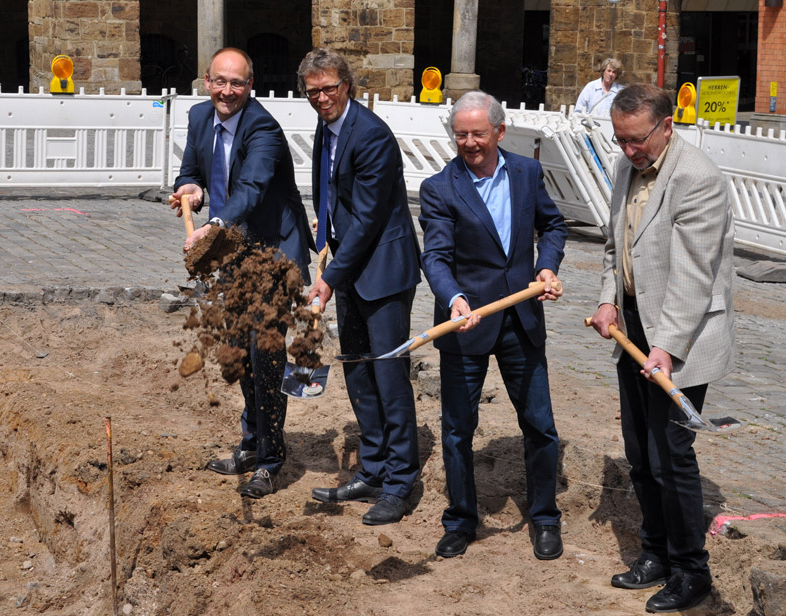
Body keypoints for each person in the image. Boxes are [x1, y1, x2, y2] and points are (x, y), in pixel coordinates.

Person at [589, 83, 734, 613]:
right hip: (633, 330)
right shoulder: (626, 168)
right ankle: (654, 553)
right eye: (620, 140)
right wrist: (608, 300)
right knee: (638, 452)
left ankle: (691, 569)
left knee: (670, 456)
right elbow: (614, 245)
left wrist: (667, 347)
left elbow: (695, 276)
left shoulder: (697, 178)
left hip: (683, 337)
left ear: (666, 126)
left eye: (637, 141)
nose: (629, 151)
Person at [419, 91, 568, 560]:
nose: (468, 143)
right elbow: (436, 256)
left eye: (478, 133)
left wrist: (546, 266)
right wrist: (455, 299)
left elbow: (554, 225)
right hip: (466, 324)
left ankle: (545, 518)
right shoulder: (440, 188)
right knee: (458, 429)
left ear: (500, 132)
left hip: (521, 320)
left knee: (540, 426)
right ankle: (461, 520)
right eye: (460, 134)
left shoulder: (525, 172)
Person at [170, 47, 314, 499]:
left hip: (274, 252)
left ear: (249, 87)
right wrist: (188, 189)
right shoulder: (198, 117)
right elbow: (191, 172)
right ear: (207, 81)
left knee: (265, 353)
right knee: (237, 350)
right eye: (219, 82)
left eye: (237, 84)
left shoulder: (263, 129)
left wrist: (213, 224)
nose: (227, 91)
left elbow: (250, 189)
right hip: (233, 249)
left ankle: (272, 459)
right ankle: (252, 442)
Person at [298, 48, 422, 526]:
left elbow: (370, 218)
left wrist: (328, 278)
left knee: (390, 379)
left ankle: (399, 482)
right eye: (313, 91)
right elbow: (335, 194)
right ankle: (372, 470)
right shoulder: (327, 126)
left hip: (384, 272)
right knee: (358, 374)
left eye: (330, 88)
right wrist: (326, 241)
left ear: (347, 85)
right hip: (350, 268)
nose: (322, 98)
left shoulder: (370, 135)